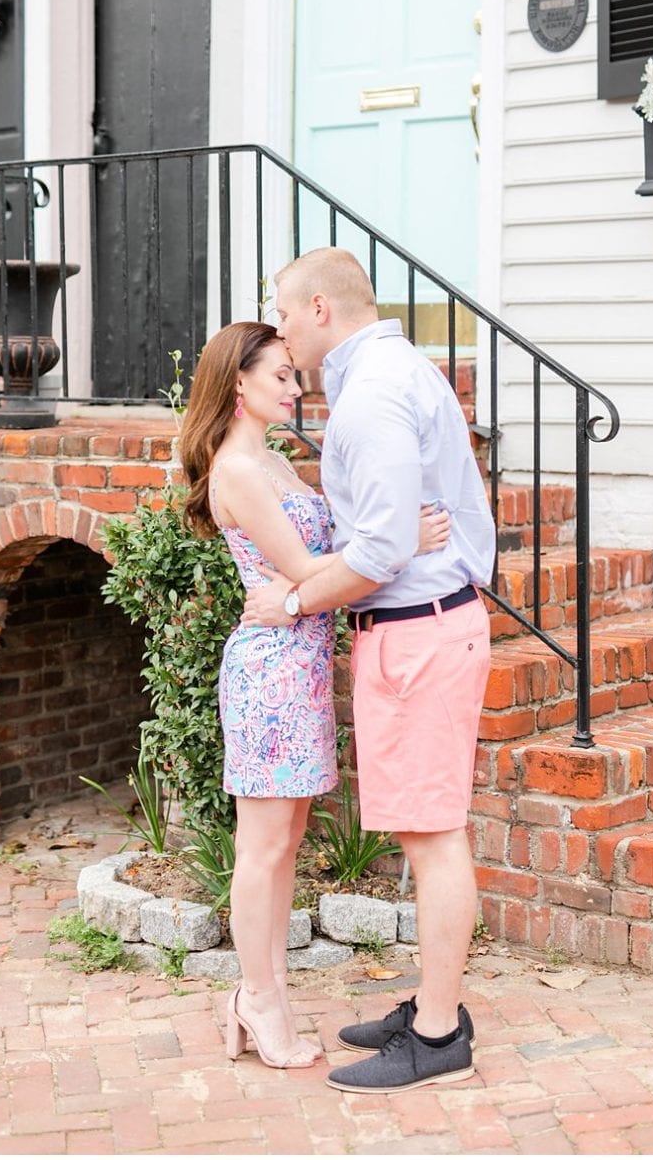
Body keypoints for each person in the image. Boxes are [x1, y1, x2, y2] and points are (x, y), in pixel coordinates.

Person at [241, 248, 497, 1094]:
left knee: (432, 835)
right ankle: (432, 1002)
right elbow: (391, 530)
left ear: (319, 306)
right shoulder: (389, 373)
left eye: (283, 311)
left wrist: (293, 600)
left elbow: (383, 545)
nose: (279, 328)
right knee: (429, 829)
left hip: (418, 633)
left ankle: (435, 1037)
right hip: (420, 627)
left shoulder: (375, 391)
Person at [178, 320, 450, 1070]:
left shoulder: (272, 458)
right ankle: (258, 999)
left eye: (295, 376)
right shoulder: (237, 469)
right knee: (262, 848)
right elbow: (303, 569)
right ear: (239, 381)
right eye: (281, 377)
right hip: (268, 669)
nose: (297, 388)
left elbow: (322, 566)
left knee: (285, 843)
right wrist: (401, 543)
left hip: (297, 664)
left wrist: (382, 540)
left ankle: (261, 996)